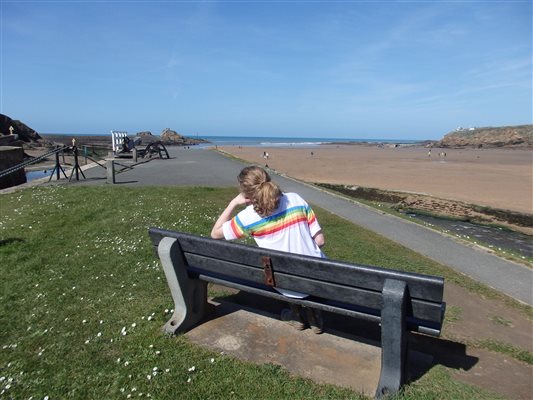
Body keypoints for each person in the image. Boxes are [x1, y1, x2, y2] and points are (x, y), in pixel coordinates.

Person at [211, 166, 325, 333]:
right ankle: (314, 316)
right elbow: (320, 241)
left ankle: (296, 315)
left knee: (281, 271)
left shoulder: (248, 217)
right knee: (308, 263)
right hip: (317, 279)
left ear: (246, 193)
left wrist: (233, 203)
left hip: (282, 280)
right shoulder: (295, 199)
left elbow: (215, 233)